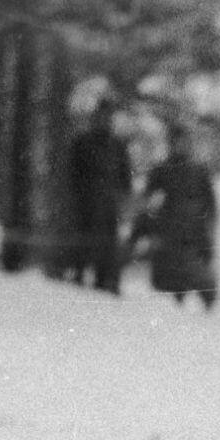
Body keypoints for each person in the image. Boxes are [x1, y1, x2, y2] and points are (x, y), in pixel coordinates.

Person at [135, 121, 218, 308]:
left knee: (200, 274)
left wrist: (207, 226)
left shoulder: (199, 171)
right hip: (170, 229)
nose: (180, 145)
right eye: (176, 141)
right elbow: (147, 198)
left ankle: (207, 308)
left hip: (194, 230)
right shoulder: (163, 169)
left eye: (183, 141)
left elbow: (210, 204)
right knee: (172, 277)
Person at [65, 99, 134, 294]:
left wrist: (122, 199)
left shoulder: (117, 146)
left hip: (108, 204)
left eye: (108, 117)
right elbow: (73, 173)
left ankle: (105, 281)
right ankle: (78, 274)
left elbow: (124, 176)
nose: (104, 120)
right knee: (84, 240)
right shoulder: (82, 142)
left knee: (107, 243)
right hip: (86, 201)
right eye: (101, 116)